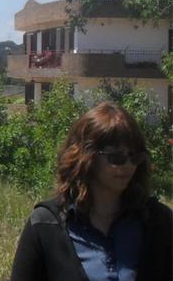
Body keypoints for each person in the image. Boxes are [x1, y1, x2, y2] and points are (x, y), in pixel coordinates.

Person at [11, 101, 172, 281]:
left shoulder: (160, 222)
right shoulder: (45, 225)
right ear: (87, 158)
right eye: (116, 157)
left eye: (135, 157)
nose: (128, 165)